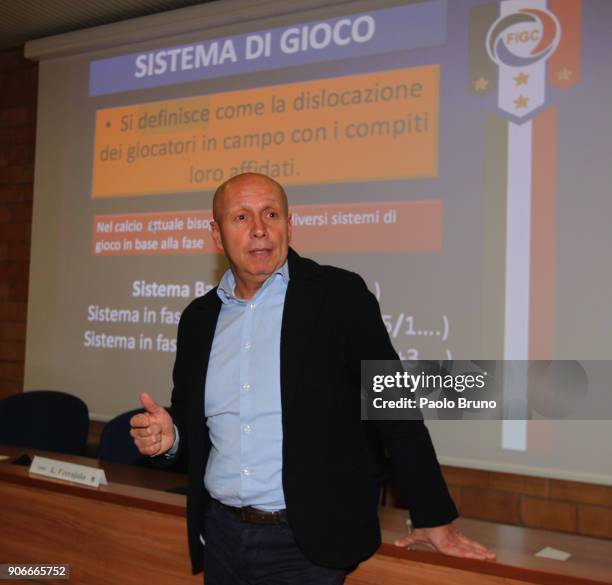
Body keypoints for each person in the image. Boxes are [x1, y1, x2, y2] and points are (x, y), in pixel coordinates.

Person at [130, 173, 495, 584]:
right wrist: (172, 436)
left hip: (307, 547)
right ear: (216, 235)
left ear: (290, 223)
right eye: (241, 217)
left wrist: (434, 517)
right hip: (222, 537)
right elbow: (193, 419)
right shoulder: (198, 320)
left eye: (271, 214)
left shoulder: (340, 297)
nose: (259, 230)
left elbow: (396, 408)